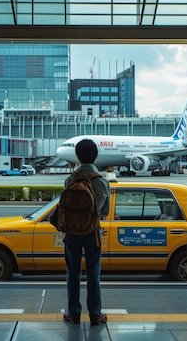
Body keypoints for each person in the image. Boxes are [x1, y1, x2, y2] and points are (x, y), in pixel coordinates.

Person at [62, 139, 110, 326]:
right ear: (96, 156)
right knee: (93, 274)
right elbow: (105, 211)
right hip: (92, 232)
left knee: (72, 274)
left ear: (77, 156)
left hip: (72, 232)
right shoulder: (101, 181)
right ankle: (95, 314)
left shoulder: (70, 180)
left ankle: (73, 313)